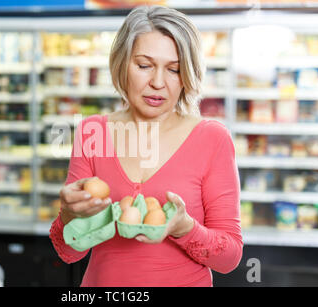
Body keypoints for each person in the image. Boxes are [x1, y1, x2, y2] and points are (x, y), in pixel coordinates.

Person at [49, 5, 243, 287]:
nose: (157, 82)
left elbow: (229, 258)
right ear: (121, 63)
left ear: (187, 75)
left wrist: (184, 228)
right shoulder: (94, 132)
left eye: (174, 69)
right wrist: (69, 214)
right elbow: (68, 252)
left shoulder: (212, 138)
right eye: (144, 66)